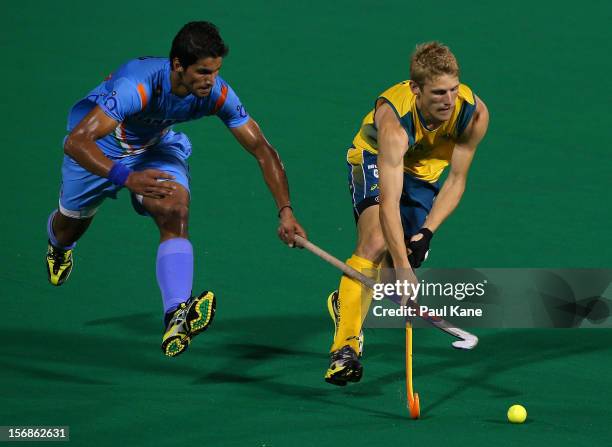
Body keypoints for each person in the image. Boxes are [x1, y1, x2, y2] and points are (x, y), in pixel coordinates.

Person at [45, 21, 306, 358]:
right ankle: (58, 245)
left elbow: (262, 150)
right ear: (177, 66)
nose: (210, 80)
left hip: (155, 148)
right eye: (202, 71)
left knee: (175, 210)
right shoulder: (135, 87)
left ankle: (177, 313)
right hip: (100, 149)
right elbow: (77, 142)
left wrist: (285, 210)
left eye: (215, 71)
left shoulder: (216, 93)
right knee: (68, 228)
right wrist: (125, 177)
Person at [325, 42, 489, 385]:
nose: (449, 100)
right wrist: (401, 267)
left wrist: (426, 232)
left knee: (400, 260)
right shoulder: (394, 125)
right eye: (439, 93)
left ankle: (345, 302)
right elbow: (389, 201)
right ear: (416, 89)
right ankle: (345, 350)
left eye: (454, 90)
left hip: (423, 174)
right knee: (377, 241)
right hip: (374, 159)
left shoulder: (473, 116)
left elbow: (457, 180)